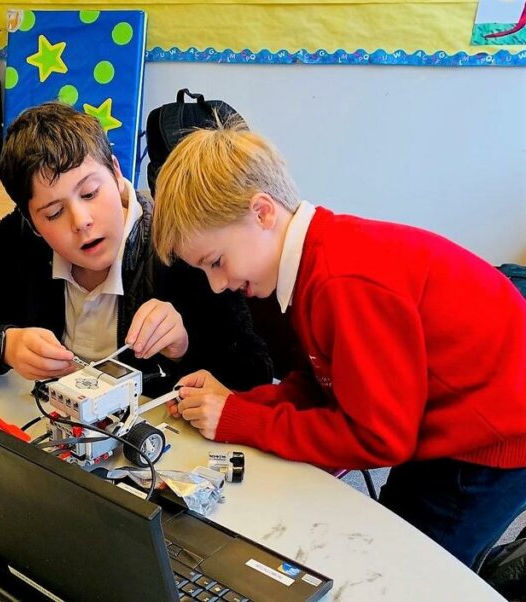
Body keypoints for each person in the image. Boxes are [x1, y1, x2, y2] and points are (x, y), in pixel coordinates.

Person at [151, 116, 526, 569]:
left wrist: (244, 421)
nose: (216, 285)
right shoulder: (314, 261)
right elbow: (325, 386)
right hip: (434, 414)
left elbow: (379, 441)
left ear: (263, 213)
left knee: (408, 567)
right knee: (392, 524)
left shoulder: (339, 283)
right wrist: (242, 406)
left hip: (489, 445)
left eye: (216, 261)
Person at [0, 102, 272, 394]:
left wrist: (182, 348)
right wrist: (4, 345)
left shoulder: (178, 246)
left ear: (116, 174)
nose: (81, 221)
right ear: (32, 222)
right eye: (53, 213)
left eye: (90, 193)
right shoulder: (20, 242)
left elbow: (252, 373)